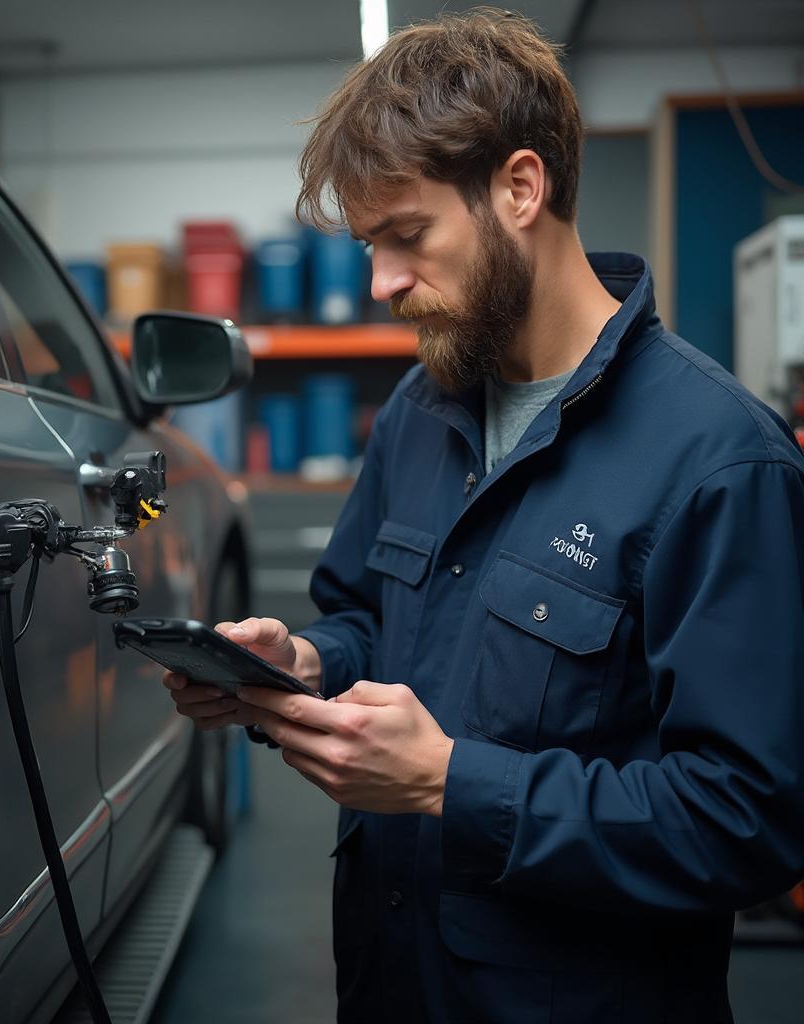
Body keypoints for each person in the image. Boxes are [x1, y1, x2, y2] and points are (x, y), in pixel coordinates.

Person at [163, 9, 804, 1022]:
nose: (380, 285)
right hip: (389, 979)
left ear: (518, 188)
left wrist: (451, 785)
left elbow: (747, 819)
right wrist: (306, 663)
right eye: (371, 247)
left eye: (406, 237)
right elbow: (370, 618)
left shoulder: (719, 462)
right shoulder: (419, 414)